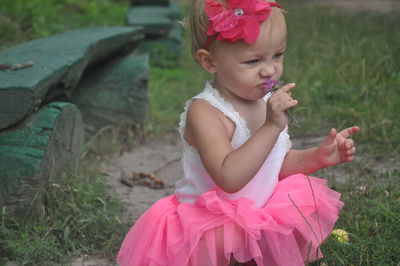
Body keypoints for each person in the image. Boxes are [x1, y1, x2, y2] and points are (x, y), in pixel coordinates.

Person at [117, 0, 360, 265]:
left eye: (277, 55)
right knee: (222, 241)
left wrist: (318, 157)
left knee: (284, 215)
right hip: (207, 227)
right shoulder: (206, 112)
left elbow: (272, 166)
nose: (269, 70)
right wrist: (270, 127)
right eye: (253, 60)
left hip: (258, 215)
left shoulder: (267, 102)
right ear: (210, 62)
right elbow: (229, 178)